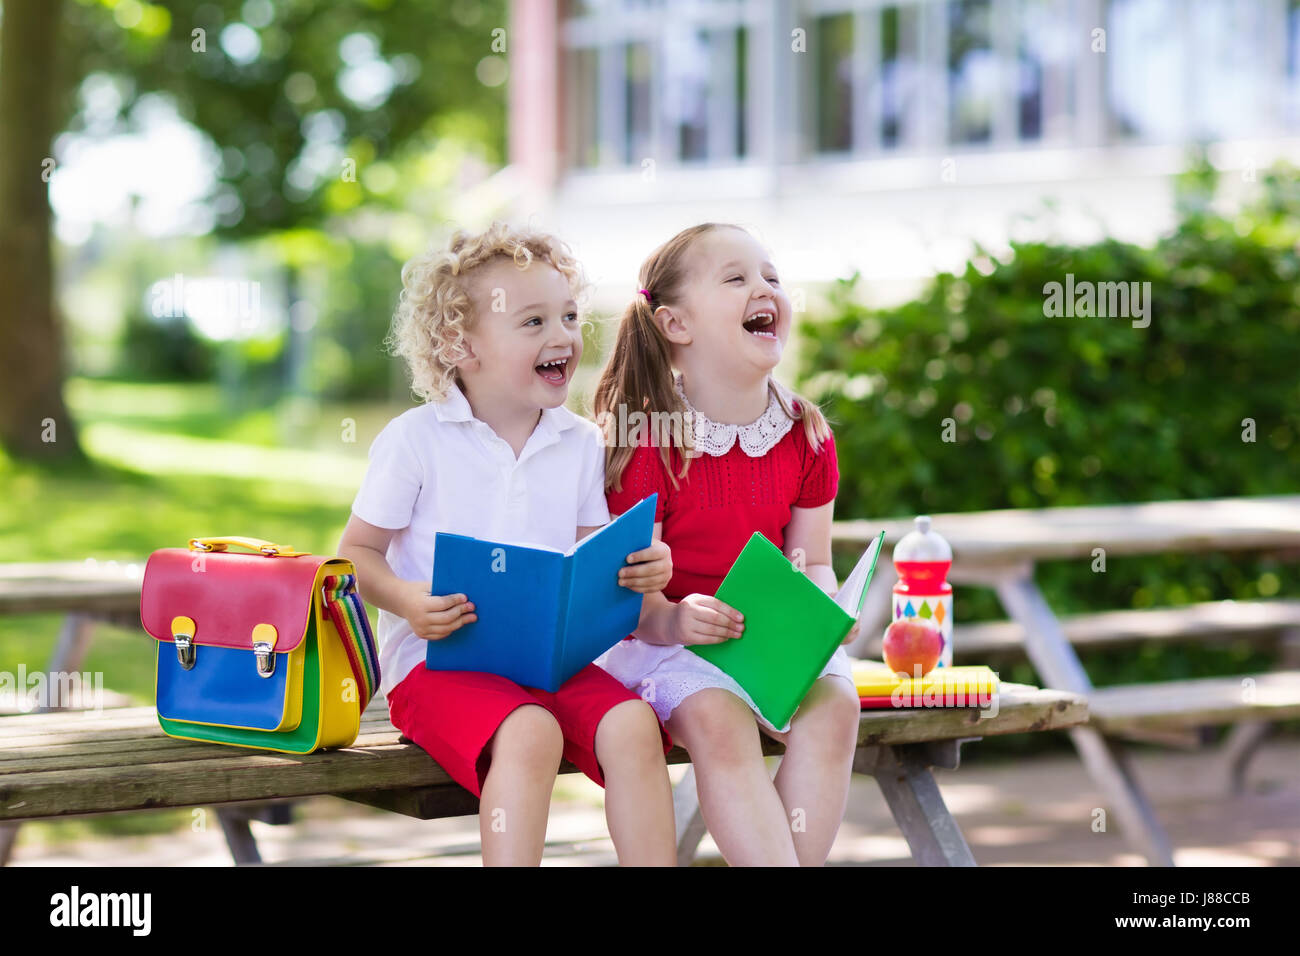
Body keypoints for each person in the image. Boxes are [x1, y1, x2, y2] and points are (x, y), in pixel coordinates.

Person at [339, 223, 676, 866]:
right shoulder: (416, 439)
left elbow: (588, 560)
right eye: (532, 322)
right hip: (437, 667)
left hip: (549, 664)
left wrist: (637, 568)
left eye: (569, 316)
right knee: (530, 732)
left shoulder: (578, 442)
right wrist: (410, 600)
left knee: (634, 724)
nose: (563, 336)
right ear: (460, 345)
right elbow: (355, 556)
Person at [592, 222, 861, 866]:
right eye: (736, 278)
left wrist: (823, 609)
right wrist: (679, 620)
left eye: (771, 276)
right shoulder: (649, 441)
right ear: (676, 325)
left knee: (837, 704)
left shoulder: (806, 434)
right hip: (667, 645)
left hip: (770, 643)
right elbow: (631, 600)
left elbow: (813, 562)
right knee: (719, 719)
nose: (764, 288)